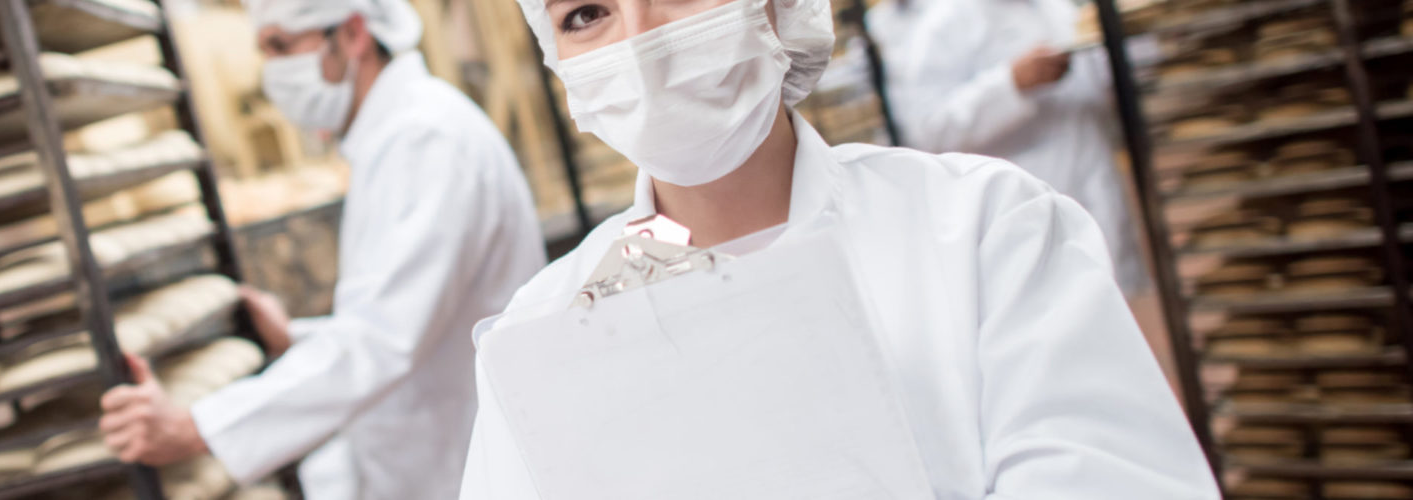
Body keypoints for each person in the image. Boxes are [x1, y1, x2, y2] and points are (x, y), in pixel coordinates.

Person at [460, 0, 1217, 498]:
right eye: (586, 14)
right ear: (559, 63)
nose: (641, 40)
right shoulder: (545, 329)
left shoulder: (982, 229)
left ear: (775, 10)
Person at [96, 0, 548, 499]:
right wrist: (296, 339)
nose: (272, 70)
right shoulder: (399, 135)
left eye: (282, 45)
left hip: (462, 467)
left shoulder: (424, 139)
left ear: (353, 34)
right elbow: (409, 314)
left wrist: (196, 428)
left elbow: (381, 339)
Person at [866, 0, 1151, 298]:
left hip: (1094, 183)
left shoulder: (1056, 7)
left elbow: (1095, 85)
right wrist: (1010, 83)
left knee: (1108, 303)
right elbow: (927, 128)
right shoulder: (944, 24)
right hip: (1022, 206)